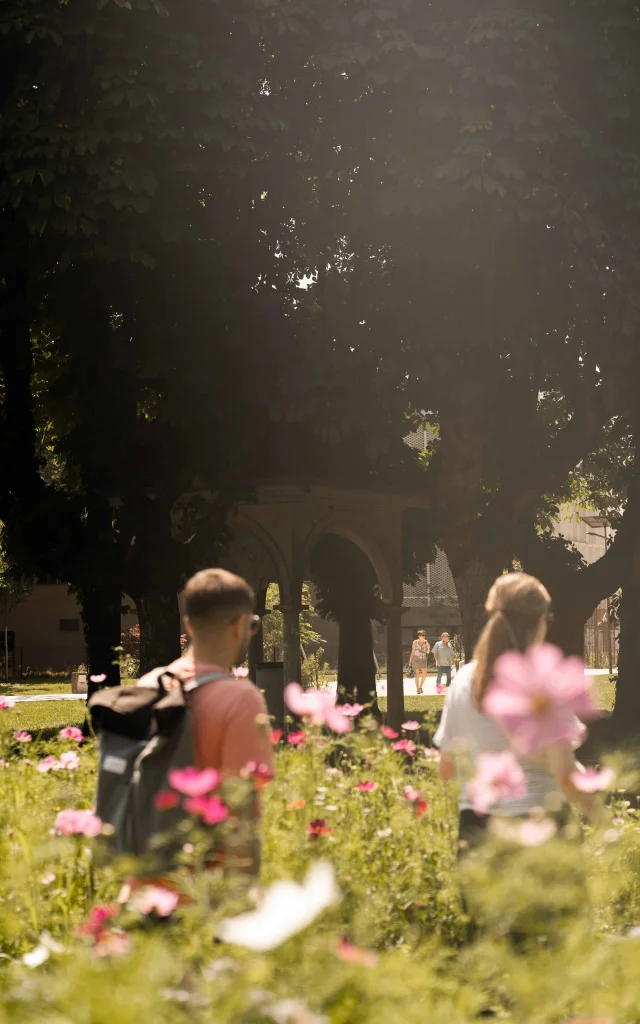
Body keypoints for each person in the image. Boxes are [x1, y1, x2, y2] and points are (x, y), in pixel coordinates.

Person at [123, 568, 273, 901]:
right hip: (205, 897)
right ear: (240, 626)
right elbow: (242, 809)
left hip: (144, 890)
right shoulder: (242, 698)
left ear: (188, 625)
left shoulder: (149, 686)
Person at [434, 573, 599, 855]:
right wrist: (608, 824)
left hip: (476, 833)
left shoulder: (462, 681)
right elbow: (564, 776)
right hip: (540, 827)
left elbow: (446, 770)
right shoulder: (541, 682)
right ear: (539, 622)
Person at [409, 630, 431, 694]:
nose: (424, 636)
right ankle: (417, 689)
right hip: (416, 659)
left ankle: (420, 687)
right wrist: (410, 660)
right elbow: (413, 651)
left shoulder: (426, 642)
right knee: (417, 675)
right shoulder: (415, 642)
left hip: (423, 659)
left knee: (425, 674)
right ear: (419, 636)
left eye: (424, 635)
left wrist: (428, 647)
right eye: (422, 635)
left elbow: (428, 652)